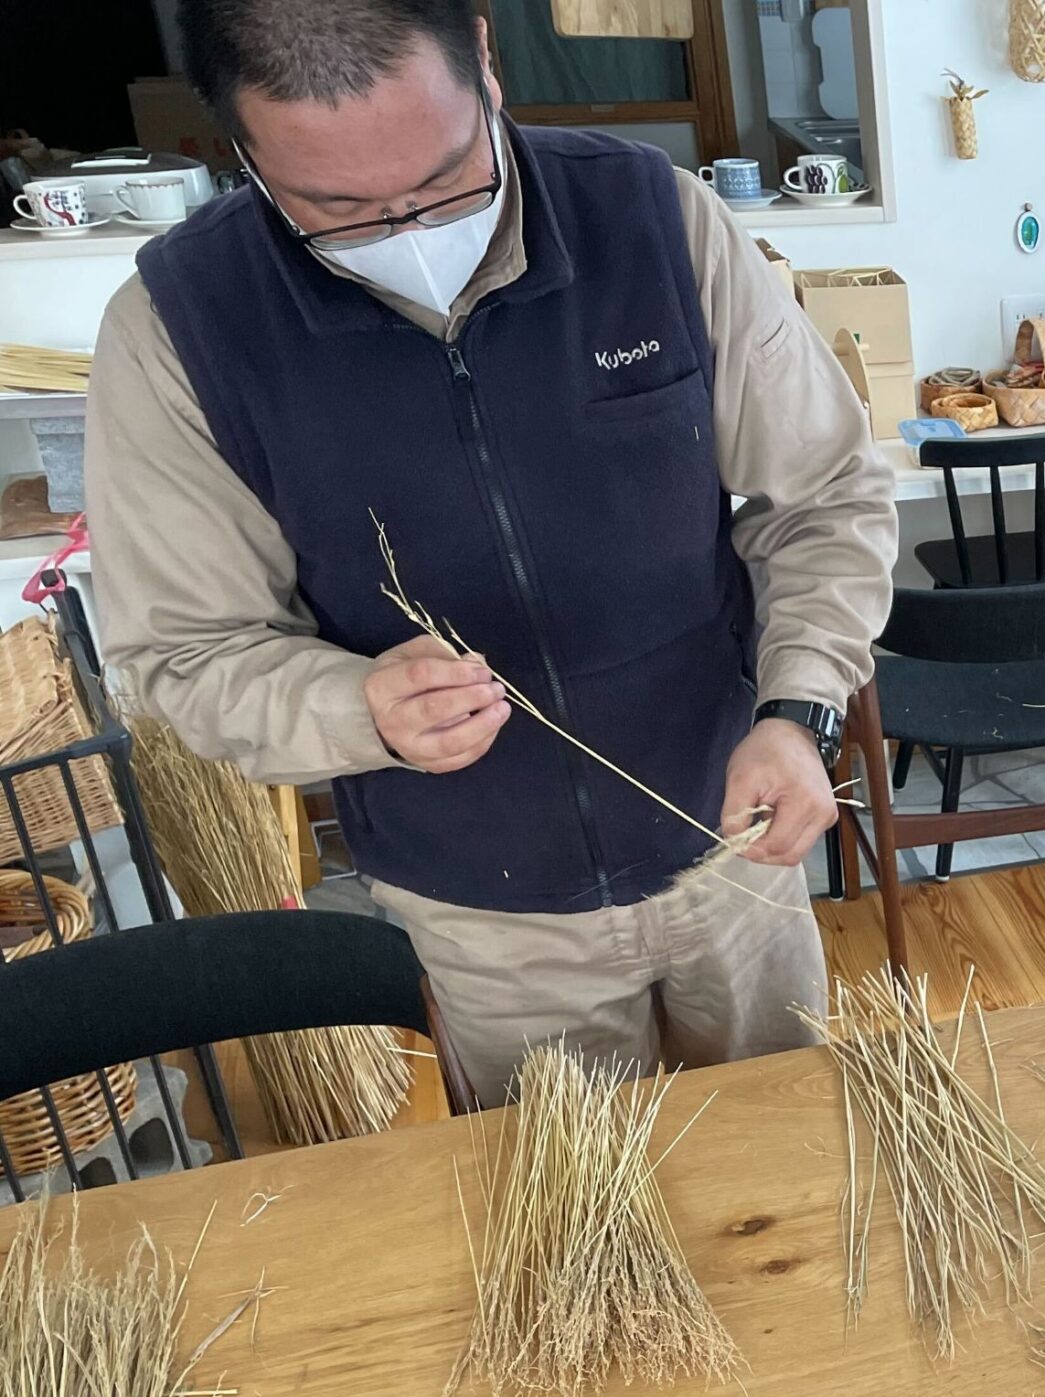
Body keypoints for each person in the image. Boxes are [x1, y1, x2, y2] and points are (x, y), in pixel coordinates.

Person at [87, 0, 899, 1102]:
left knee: (797, 1173)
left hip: (732, 847)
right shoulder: (181, 326)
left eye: (447, 178)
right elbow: (184, 651)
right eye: (337, 210)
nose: (408, 225)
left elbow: (826, 495)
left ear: (484, 56)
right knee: (580, 1242)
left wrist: (796, 709)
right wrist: (354, 707)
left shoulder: (649, 219)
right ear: (239, 150)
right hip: (484, 916)